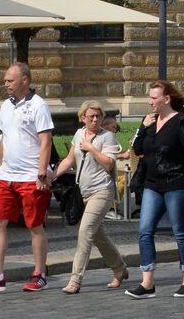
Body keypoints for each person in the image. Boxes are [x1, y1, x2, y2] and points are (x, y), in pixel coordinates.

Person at [0, 61, 54, 294]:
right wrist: (0, 169)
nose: (5, 83)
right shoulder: (5, 106)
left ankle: (39, 273)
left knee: (34, 225)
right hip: (6, 176)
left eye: (10, 80)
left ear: (24, 80)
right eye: (6, 80)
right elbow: (4, 138)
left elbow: (45, 141)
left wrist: (41, 173)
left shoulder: (39, 105)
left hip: (30, 176)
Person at [130, 80, 184, 299]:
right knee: (145, 230)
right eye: (150, 97)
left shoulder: (181, 121)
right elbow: (136, 148)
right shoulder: (150, 122)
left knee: (180, 231)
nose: (150, 101)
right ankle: (147, 282)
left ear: (166, 99)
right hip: (153, 184)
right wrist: (143, 127)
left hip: (178, 182)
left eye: (154, 97)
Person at [55, 100, 127, 295]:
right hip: (84, 191)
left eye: (98, 116)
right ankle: (119, 268)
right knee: (98, 235)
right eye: (91, 116)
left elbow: (109, 165)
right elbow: (70, 159)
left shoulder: (108, 137)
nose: (95, 120)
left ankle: (75, 280)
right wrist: (52, 176)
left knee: (85, 231)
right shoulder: (79, 134)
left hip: (102, 191)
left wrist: (92, 148)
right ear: (83, 118)